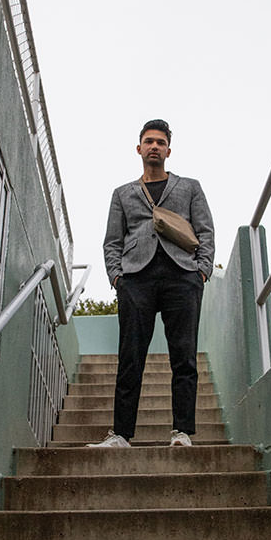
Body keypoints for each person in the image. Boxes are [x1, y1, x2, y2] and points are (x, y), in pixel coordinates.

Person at [88, 119, 215, 448]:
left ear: (169, 151)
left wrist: (201, 272)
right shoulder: (122, 193)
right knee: (130, 357)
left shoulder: (190, 187)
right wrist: (117, 277)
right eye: (149, 141)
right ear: (139, 148)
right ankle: (121, 435)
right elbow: (112, 240)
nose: (155, 146)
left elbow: (205, 231)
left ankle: (182, 432)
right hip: (135, 279)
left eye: (160, 142)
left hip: (182, 276)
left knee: (184, 356)